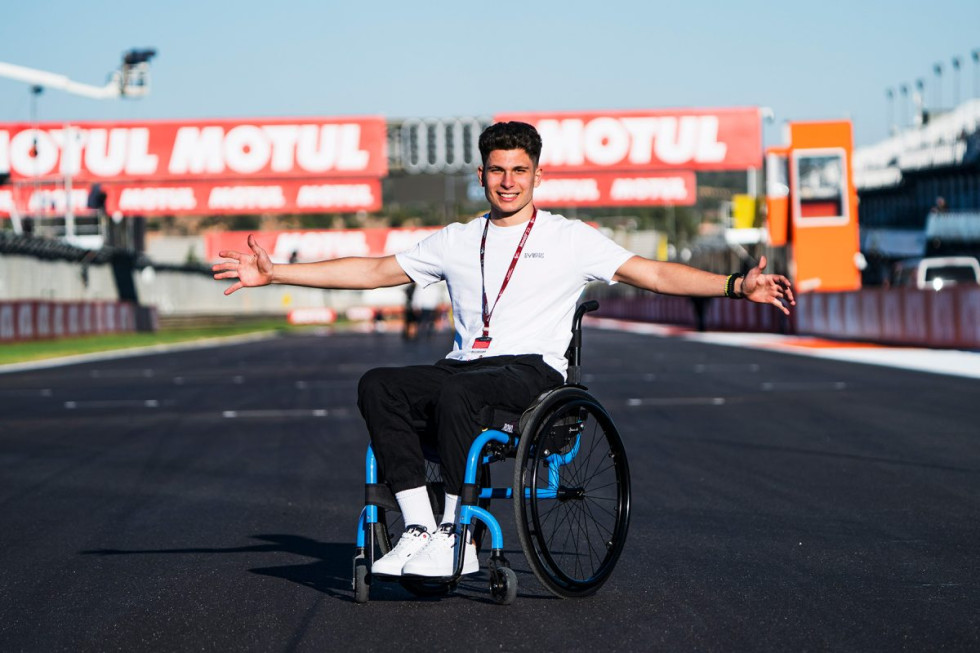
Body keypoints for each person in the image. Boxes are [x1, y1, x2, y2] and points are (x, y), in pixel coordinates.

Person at [212, 121, 794, 579]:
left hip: (533, 374)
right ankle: (423, 529)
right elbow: (373, 269)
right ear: (482, 174)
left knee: (456, 387)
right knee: (378, 383)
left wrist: (735, 286)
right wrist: (278, 274)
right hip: (465, 368)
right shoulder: (458, 240)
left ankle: (459, 537)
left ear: (538, 175)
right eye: (497, 170)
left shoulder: (570, 239)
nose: (508, 180)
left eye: (520, 169)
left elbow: (653, 273)